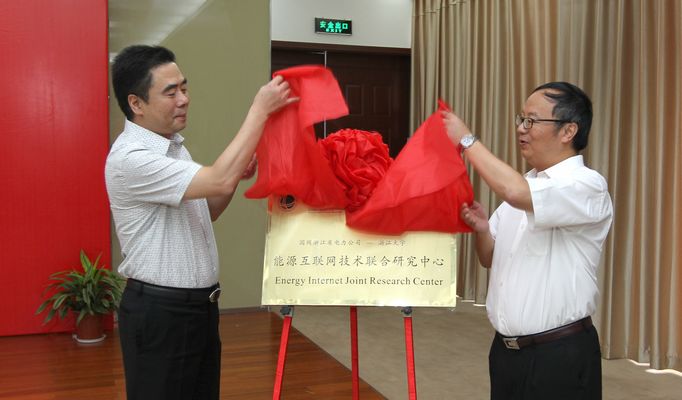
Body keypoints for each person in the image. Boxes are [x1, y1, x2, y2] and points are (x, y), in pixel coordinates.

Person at [105, 45, 297, 400]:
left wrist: (234, 175)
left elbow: (208, 210)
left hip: (198, 308)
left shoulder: (173, 147)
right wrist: (259, 110)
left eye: (184, 87)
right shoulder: (131, 158)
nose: (184, 99)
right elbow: (218, 179)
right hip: (161, 314)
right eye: (170, 92)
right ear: (136, 103)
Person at [442, 82, 613, 400]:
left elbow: (515, 192)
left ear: (568, 130)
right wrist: (482, 229)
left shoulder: (586, 185)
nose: (521, 128)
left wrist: (466, 140)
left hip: (558, 356)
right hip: (506, 354)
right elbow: (488, 258)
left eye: (532, 120)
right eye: (521, 119)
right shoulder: (526, 185)